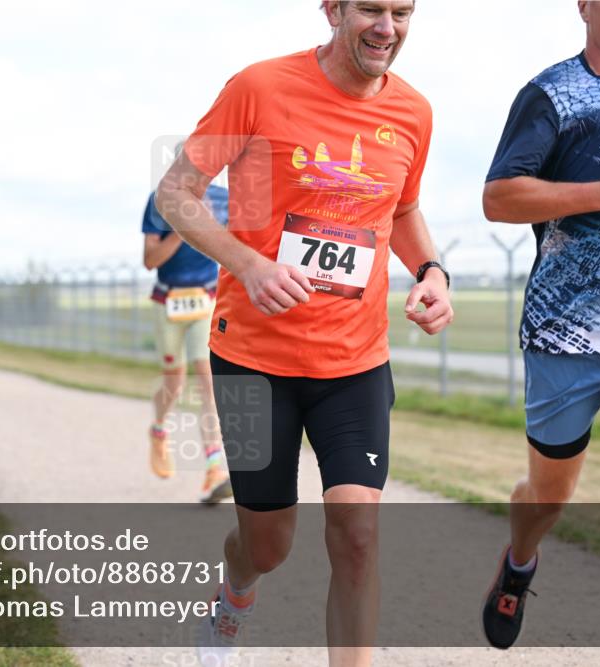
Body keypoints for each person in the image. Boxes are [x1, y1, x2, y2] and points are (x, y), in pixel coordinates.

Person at [155, 2, 452, 665]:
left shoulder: (414, 112)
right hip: (249, 358)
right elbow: (178, 192)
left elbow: (401, 207)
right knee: (267, 545)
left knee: (358, 531)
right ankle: (235, 594)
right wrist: (249, 263)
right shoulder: (257, 88)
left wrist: (431, 270)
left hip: (354, 360)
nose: (387, 27)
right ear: (333, 9)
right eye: (370, 9)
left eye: (401, 12)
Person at [480, 2, 600, 662]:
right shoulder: (553, 95)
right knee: (548, 497)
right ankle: (520, 557)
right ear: (584, 6)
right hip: (567, 336)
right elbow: (500, 197)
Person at [143, 157, 234, 504]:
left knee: (207, 380)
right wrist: (186, 225)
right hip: (167, 300)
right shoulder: (159, 200)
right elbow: (150, 260)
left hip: (205, 301)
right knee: (174, 383)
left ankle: (214, 466)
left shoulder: (227, 200)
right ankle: (159, 430)